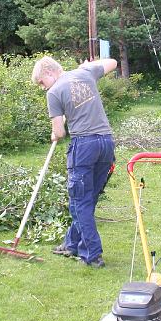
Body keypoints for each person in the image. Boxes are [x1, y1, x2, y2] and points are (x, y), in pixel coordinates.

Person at [32, 55, 117, 268]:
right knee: (89, 198)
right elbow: (113, 63)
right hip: (106, 143)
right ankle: (71, 244)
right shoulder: (85, 73)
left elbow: (59, 132)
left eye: (41, 82)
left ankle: (92, 254)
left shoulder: (54, 93)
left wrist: (54, 135)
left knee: (79, 202)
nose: (42, 87)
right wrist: (88, 65)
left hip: (84, 146)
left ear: (49, 72)